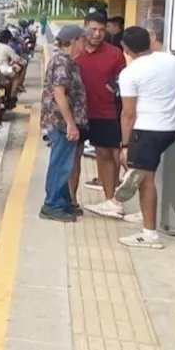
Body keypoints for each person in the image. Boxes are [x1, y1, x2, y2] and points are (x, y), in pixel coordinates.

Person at [113, 26, 175, 249]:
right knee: (146, 175)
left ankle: (149, 234)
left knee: (145, 181)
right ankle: (144, 213)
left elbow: (128, 113)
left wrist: (125, 144)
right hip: (172, 129)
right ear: (149, 40)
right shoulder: (173, 61)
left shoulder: (130, 73)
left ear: (125, 48)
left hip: (147, 130)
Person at [74, 12, 129, 218]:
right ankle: (71, 199)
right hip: (78, 115)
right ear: (84, 28)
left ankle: (111, 200)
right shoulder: (74, 51)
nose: (97, 34)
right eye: (93, 29)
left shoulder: (115, 54)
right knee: (73, 158)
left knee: (106, 156)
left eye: (101, 30)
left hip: (105, 113)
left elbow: (123, 80)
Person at [40, 24, 89, 222]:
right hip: (61, 122)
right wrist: (70, 123)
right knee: (60, 164)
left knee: (65, 163)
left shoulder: (67, 60)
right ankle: (52, 204)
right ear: (74, 40)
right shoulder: (62, 62)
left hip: (63, 121)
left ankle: (63, 201)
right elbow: (59, 92)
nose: (85, 43)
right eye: (83, 39)